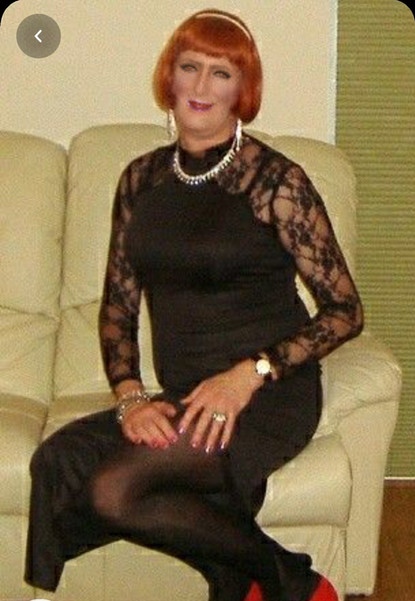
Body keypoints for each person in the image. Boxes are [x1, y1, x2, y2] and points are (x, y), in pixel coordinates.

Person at [25, 8, 364, 601]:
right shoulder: (140, 180)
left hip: (265, 396)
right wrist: (131, 397)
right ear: (170, 77)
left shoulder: (276, 183)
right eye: (190, 67)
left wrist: (249, 374)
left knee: (113, 490)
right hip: (186, 396)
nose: (202, 86)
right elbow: (118, 306)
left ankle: (297, 582)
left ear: (242, 91)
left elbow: (344, 311)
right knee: (57, 461)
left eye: (221, 73)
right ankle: (240, 577)